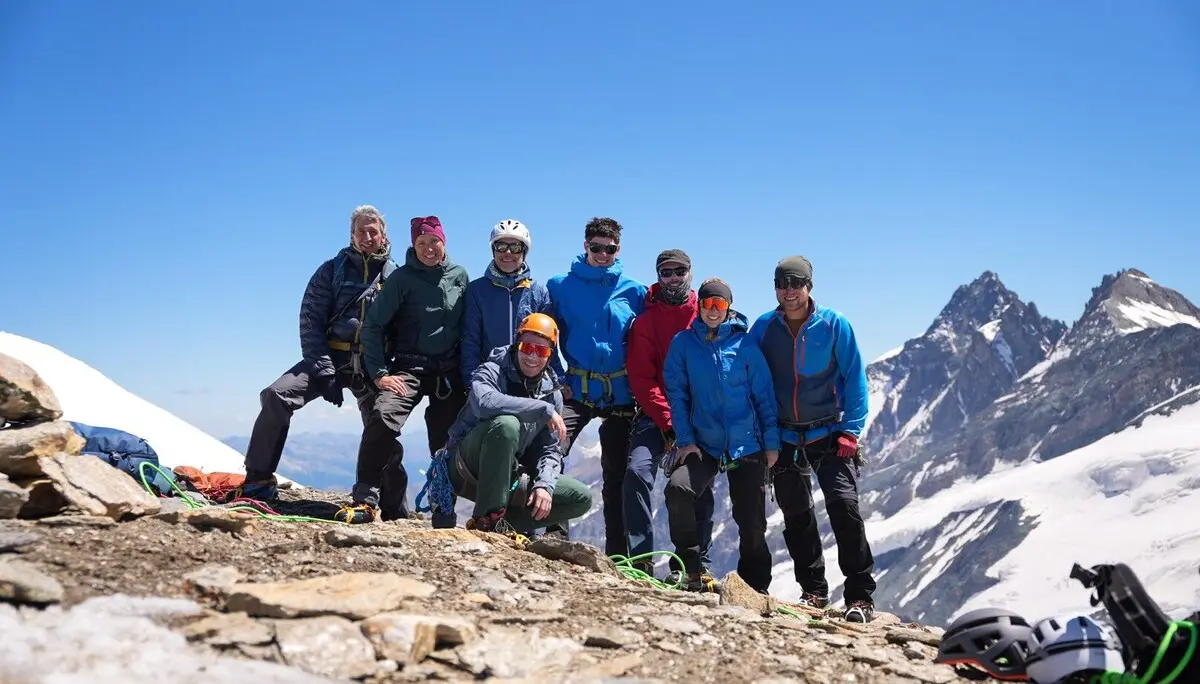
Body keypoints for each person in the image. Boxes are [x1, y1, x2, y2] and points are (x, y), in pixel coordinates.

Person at [748, 255, 876, 623]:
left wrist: (851, 431)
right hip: (784, 434)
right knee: (797, 514)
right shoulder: (764, 327)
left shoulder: (834, 325)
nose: (789, 290)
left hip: (830, 431)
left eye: (796, 283)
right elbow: (750, 373)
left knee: (844, 506)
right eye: (782, 283)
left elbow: (855, 379)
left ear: (809, 286)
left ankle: (860, 597)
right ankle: (814, 592)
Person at [238, 205, 396, 502]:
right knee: (276, 395)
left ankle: (392, 507)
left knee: (385, 425)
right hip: (331, 358)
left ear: (384, 236)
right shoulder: (330, 271)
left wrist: (387, 371)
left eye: (373, 231)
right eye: (360, 231)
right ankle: (257, 480)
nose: (367, 237)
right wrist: (325, 371)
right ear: (351, 235)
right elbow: (310, 323)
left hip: (373, 365)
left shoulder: (395, 277)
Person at [345, 216, 470, 524]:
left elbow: (469, 327)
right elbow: (373, 326)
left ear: (444, 242)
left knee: (446, 440)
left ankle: (443, 505)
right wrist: (379, 374)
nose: (429, 248)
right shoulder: (402, 279)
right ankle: (364, 499)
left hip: (446, 373)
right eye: (422, 243)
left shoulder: (459, 276)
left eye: (434, 242)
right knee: (383, 419)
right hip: (407, 368)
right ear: (413, 245)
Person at [662, 278, 778, 593]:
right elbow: (678, 394)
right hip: (704, 444)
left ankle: (755, 588)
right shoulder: (683, 343)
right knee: (679, 489)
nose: (713, 311)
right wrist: (685, 440)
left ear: (728, 307)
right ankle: (690, 567)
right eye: (708, 304)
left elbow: (764, 397)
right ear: (699, 305)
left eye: (720, 305)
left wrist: (771, 443)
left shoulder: (745, 344)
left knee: (751, 520)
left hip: (746, 444)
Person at [545, 217, 647, 553]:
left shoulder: (634, 290)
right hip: (577, 388)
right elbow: (545, 333)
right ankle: (554, 535)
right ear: (585, 246)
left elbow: (647, 341)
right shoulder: (560, 286)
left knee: (616, 475)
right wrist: (559, 378)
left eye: (610, 248)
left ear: (619, 249)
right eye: (596, 247)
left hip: (621, 394)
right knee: (552, 449)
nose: (603, 254)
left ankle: (617, 555)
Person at [438, 313, 593, 534]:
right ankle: (486, 519)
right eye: (527, 347)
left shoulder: (551, 393)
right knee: (507, 424)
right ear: (516, 345)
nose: (532, 356)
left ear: (550, 356)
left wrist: (544, 485)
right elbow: (483, 402)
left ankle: (504, 526)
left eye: (542, 351)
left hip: (507, 476)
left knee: (580, 498)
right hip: (465, 468)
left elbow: (549, 449)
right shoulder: (491, 370)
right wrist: (542, 410)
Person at [624, 249, 716, 581]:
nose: (673, 278)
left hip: (699, 419)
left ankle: (691, 564)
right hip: (657, 418)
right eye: (667, 272)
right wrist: (669, 422)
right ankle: (641, 560)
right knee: (637, 472)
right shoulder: (647, 322)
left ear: (691, 273)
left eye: (680, 271)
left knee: (694, 486)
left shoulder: (705, 313)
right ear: (658, 276)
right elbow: (642, 379)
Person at [461, 219, 561, 387]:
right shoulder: (476, 290)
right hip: (490, 378)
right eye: (501, 246)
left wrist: (559, 378)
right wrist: (471, 381)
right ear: (493, 250)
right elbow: (470, 340)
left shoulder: (539, 292)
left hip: (530, 379)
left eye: (515, 247)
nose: (508, 252)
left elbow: (549, 344)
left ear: (524, 252)